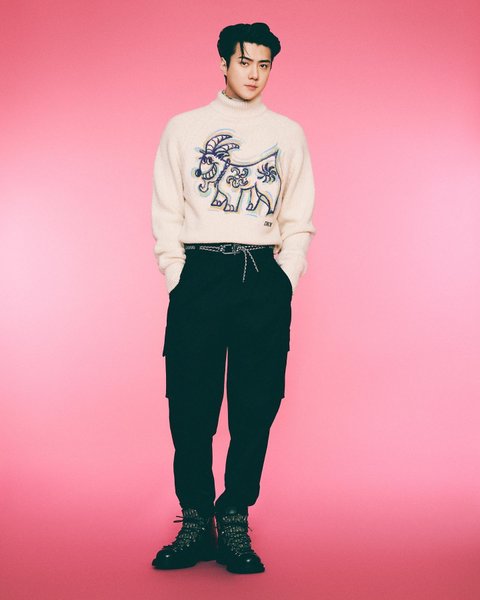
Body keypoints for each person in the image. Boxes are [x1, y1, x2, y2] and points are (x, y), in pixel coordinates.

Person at [150, 22, 316, 574]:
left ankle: (235, 515)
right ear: (224, 62)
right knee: (190, 406)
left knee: (256, 406)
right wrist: (177, 274)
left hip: (261, 275)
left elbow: (298, 216)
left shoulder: (288, 133)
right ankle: (197, 520)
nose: (255, 74)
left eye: (264, 65)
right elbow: (167, 208)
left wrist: (285, 276)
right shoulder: (183, 128)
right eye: (245, 62)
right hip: (200, 274)